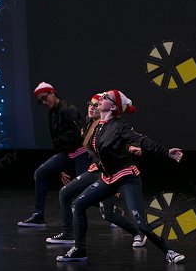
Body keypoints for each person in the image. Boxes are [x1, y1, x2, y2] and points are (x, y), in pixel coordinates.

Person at [56, 89, 185, 263]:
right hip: (107, 178)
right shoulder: (98, 126)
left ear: (113, 107)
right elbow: (111, 147)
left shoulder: (119, 125)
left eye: (106, 97)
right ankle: (79, 250)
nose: (101, 98)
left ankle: (169, 251)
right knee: (78, 205)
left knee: (140, 224)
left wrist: (165, 152)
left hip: (126, 178)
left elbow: (141, 139)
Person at [45, 93, 144, 247]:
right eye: (90, 104)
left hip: (108, 174)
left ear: (104, 108)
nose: (91, 107)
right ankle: (68, 233)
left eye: (96, 105)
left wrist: (131, 148)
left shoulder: (109, 126)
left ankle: (138, 232)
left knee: (108, 215)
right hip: (95, 170)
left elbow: (122, 143)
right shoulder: (88, 123)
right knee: (65, 192)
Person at [18, 82, 90, 227]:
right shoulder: (52, 113)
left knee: (83, 189)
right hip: (67, 154)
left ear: (52, 93)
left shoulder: (68, 109)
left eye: (45, 98)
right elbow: (57, 141)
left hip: (81, 153)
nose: (44, 102)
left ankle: (111, 210)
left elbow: (84, 131)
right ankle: (38, 215)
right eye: (41, 101)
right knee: (40, 173)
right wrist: (61, 168)